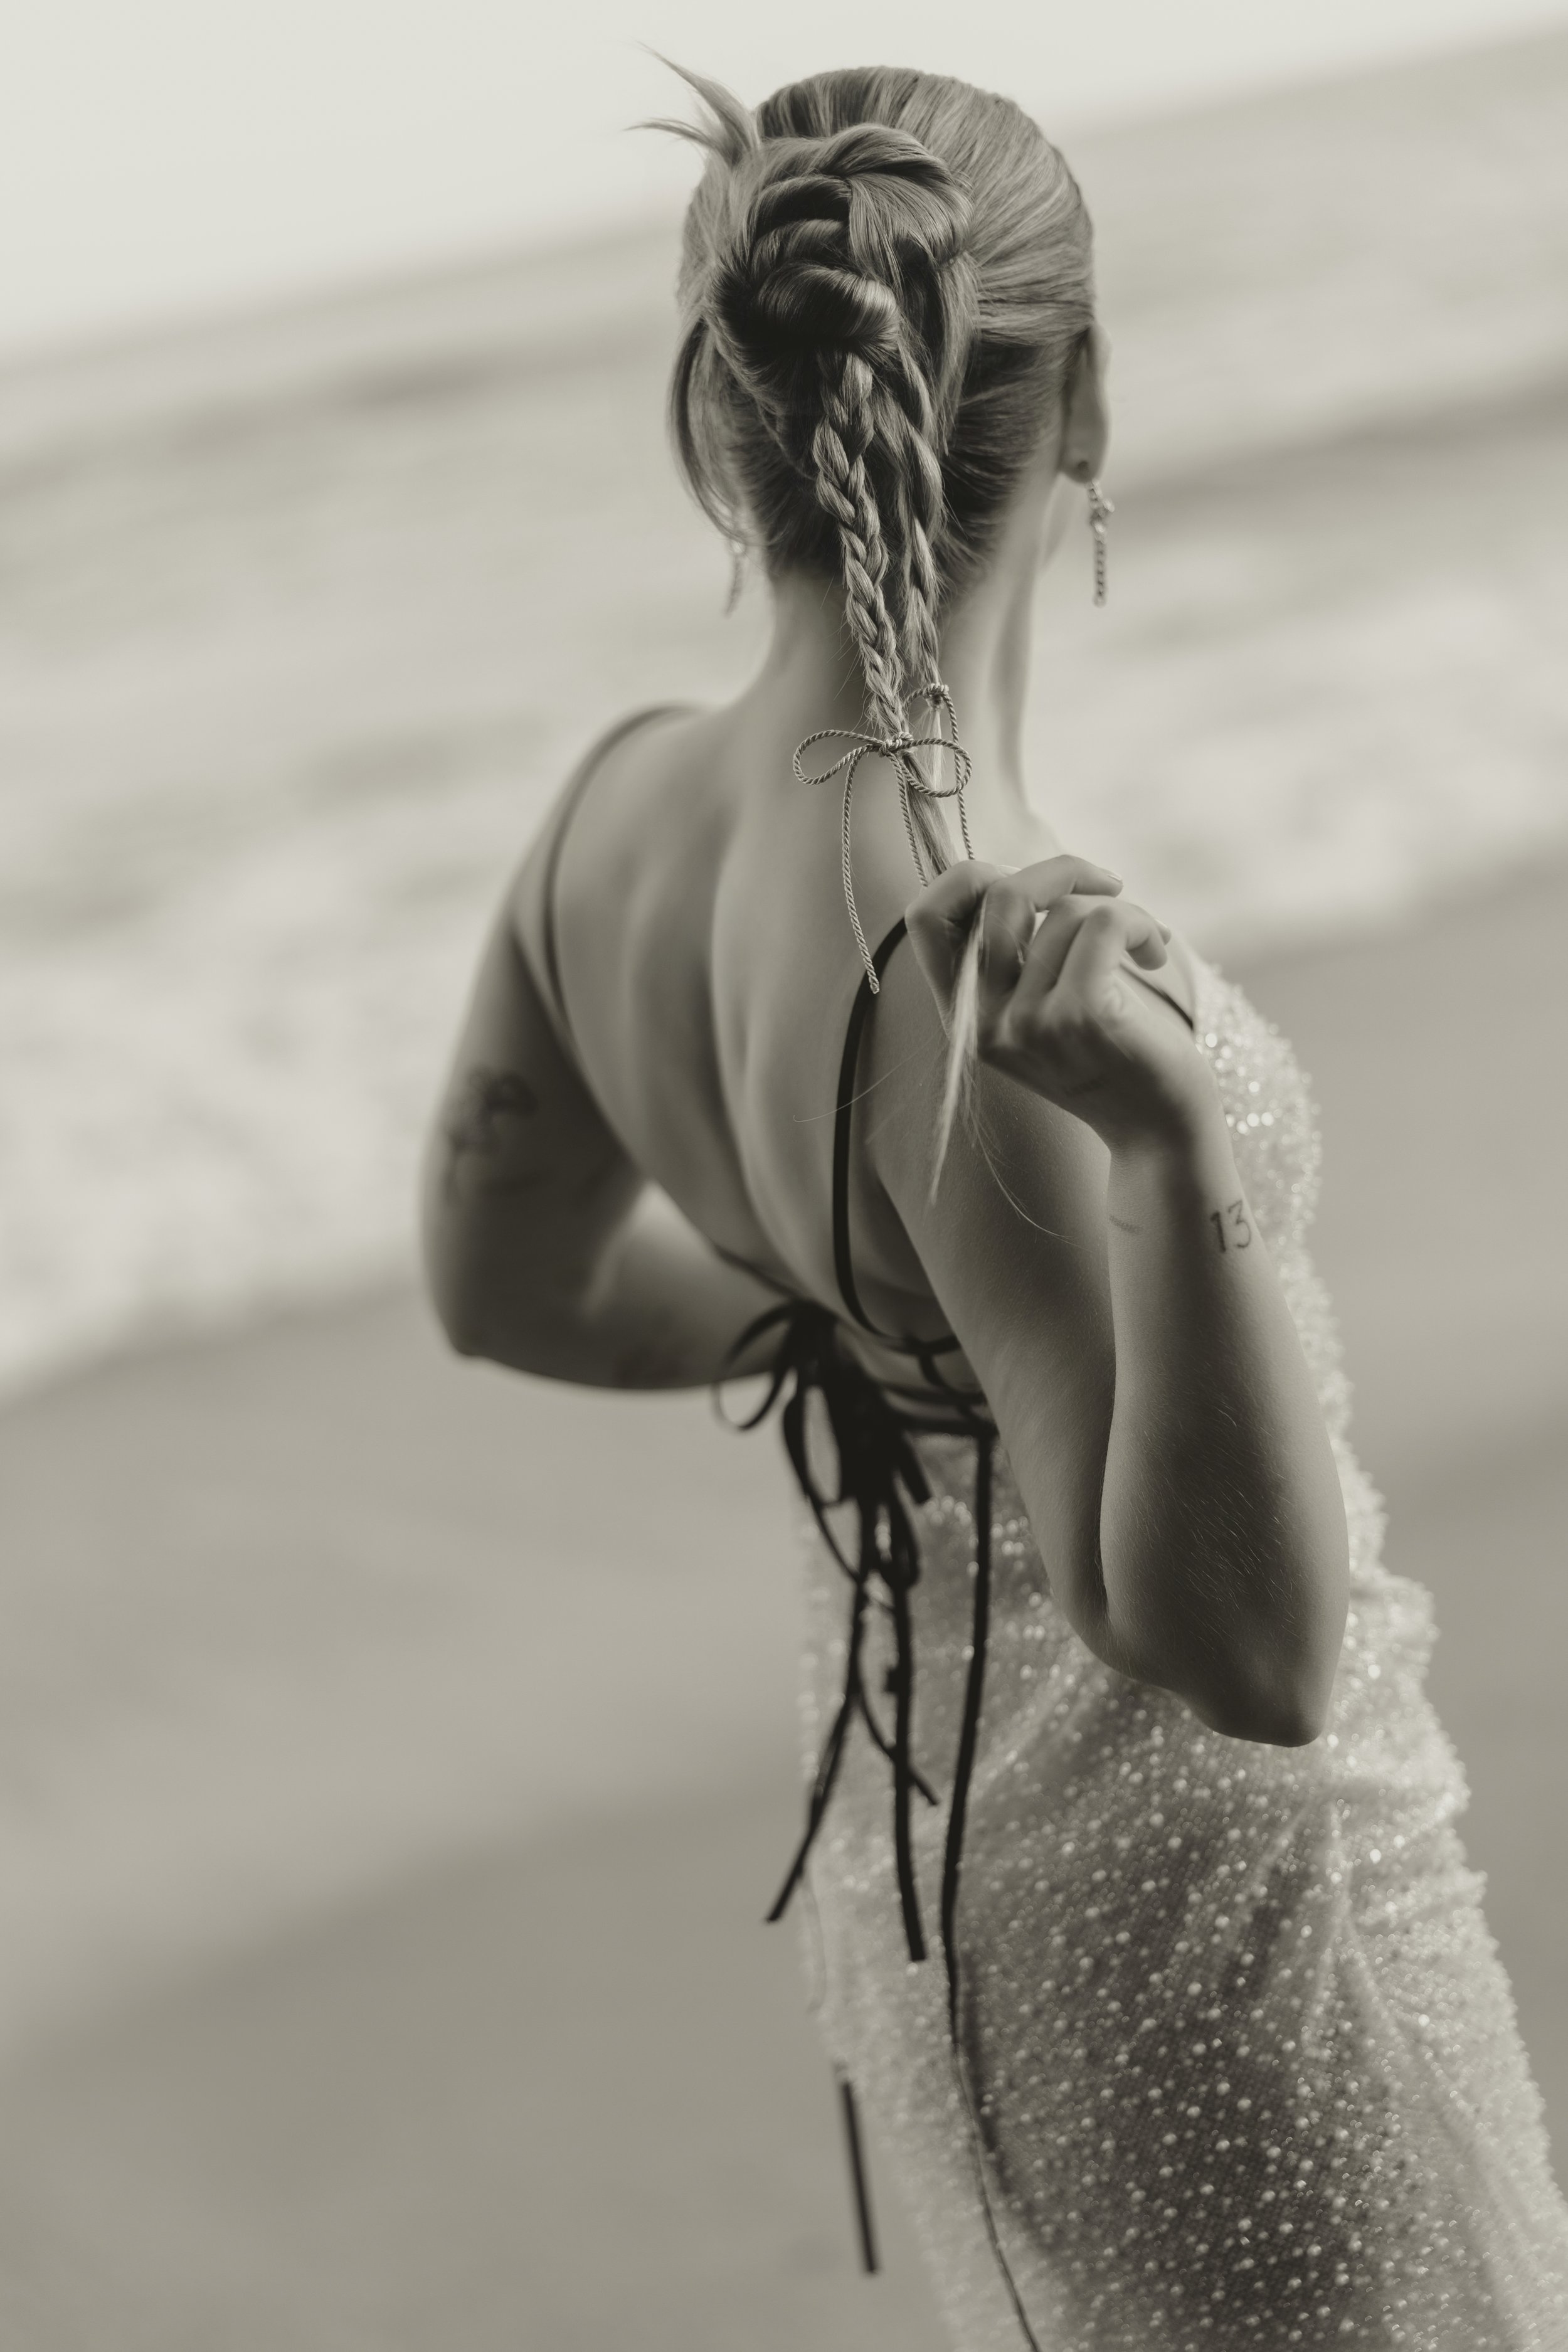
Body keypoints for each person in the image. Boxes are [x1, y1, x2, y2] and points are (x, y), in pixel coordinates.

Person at [420, 61, 1568, 2351]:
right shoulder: (950, 933)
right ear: (1087, 401)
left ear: (716, 427)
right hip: (1220, 1917)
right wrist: (1169, 1153)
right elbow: (1232, 1653)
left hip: (955, 1866)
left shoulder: (605, 822)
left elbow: (509, 1289)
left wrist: (864, 1334)